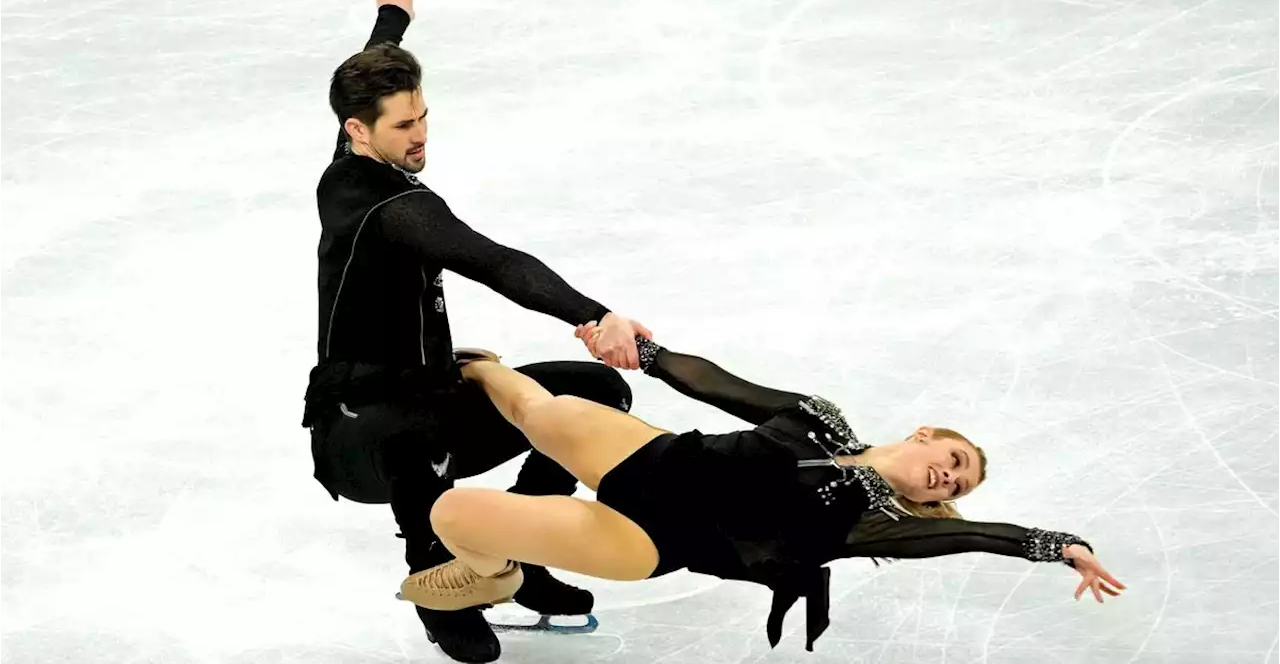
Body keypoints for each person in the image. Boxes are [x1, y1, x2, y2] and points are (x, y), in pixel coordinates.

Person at [302, 0, 652, 662]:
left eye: (424, 115)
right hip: (359, 435)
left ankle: (525, 539)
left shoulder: (354, 149)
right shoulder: (397, 209)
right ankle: (440, 580)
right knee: (417, 424)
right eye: (405, 124)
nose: (421, 134)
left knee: (592, 395)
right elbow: (495, 262)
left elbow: (368, 70)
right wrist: (593, 313)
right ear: (360, 129)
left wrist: (391, 17)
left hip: (428, 393)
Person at [395, 336, 1126, 651]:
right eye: (956, 458)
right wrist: (642, 352)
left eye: (957, 483)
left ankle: (494, 576)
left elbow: (967, 535)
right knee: (535, 408)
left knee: (451, 512)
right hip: (650, 458)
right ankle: (476, 363)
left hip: (647, 541)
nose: (950, 476)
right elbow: (722, 386)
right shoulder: (820, 417)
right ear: (929, 433)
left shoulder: (867, 523)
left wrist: (1056, 546)